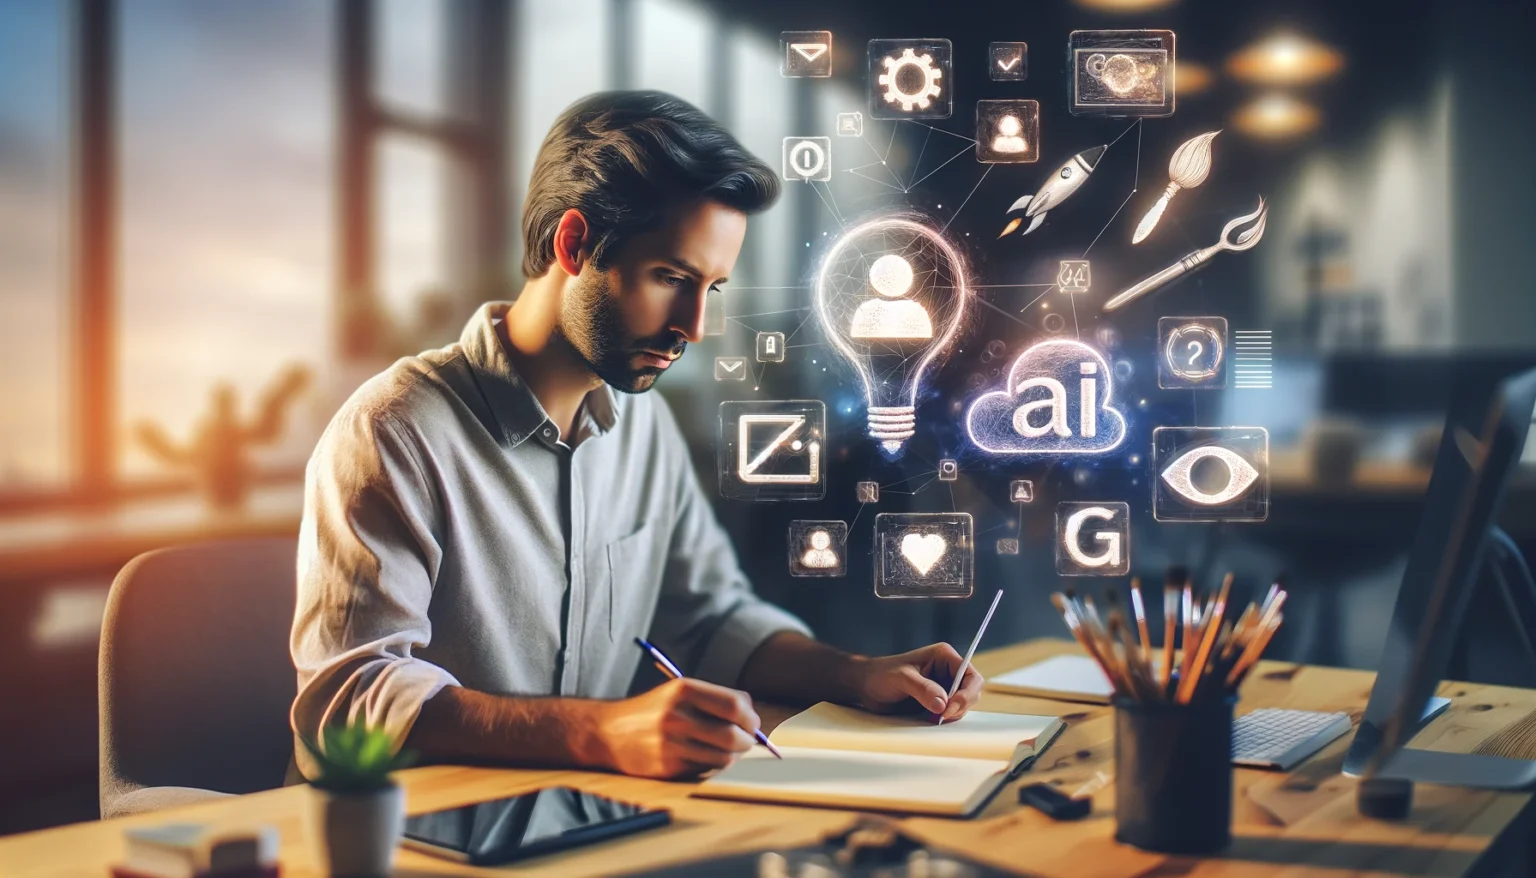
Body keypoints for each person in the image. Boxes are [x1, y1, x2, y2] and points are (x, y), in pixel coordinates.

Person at [291, 90, 984, 781]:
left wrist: (857, 676)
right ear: (573, 243)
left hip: (586, 828)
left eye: (711, 288)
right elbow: (350, 701)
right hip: (408, 844)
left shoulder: (643, 423)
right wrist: (603, 733)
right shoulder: (394, 432)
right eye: (670, 277)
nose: (695, 326)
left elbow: (710, 618)